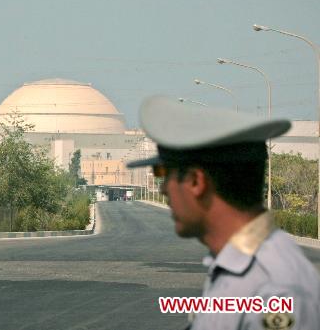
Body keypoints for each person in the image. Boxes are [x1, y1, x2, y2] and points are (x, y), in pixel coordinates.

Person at [127, 95, 320, 330]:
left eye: (165, 174)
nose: (163, 189)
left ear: (197, 182)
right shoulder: (237, 267)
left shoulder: (274, 288)